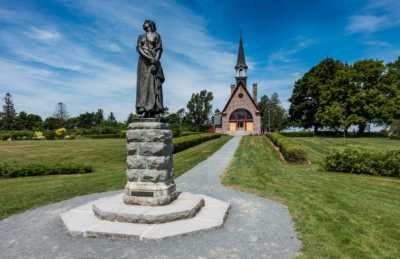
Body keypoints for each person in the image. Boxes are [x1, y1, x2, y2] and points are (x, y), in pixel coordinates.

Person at [136, 20, 165, 118]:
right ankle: (143, 109)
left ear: (150, 25)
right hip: (143, 63)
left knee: (154, 85)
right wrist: (149, 58)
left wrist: (155, 61)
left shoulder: (157, 36)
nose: (144, 25)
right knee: (143, 86)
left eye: (146, 24)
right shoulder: (141, 37)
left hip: (154, 62)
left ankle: (155, 110)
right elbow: (139, 48)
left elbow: (159, 49)